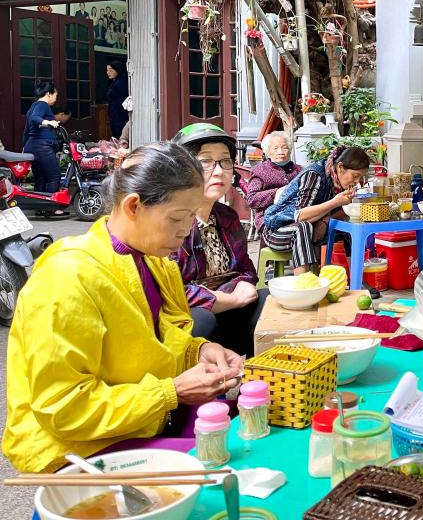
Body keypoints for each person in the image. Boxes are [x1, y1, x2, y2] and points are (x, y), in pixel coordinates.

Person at [2, 143, 244, 472]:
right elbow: (65, 408)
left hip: (143, 420)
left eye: (191, 216)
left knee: (244, 438)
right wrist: (170, 393)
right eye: (177, 217)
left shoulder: (157, 262)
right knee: (227, 466)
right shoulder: (67, 276)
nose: (187, 230)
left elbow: (162, 342)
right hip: (77, 448)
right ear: (133, 206)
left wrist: (200, 352)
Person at [172, 123, 266, 356]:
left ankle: (256, 383)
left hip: (227, 310)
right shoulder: (172, 222)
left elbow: (245, 268)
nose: (218, 171)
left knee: (269, 300)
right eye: (205, 162)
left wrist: (245, 284)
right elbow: (172, 291)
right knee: (201, 320)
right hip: (186, 319)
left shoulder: (226, 216)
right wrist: (228, 298)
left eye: (225, 161)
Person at [263, 146, 368, 274]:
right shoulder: (314, 175)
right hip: (277, 230)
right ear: (340, 167)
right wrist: (335, 202)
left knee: (348, 228)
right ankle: (305, 285)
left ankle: (357, 280)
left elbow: (343, 211)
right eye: (355, 176)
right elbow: (300, 216)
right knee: (302, 228)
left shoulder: (338, 180)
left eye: (361, 178)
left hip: (311, 229)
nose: (357, 182)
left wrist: (325, 220)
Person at [244, 132, 302, 233]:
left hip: (297, 214)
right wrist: (276, 193)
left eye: (284, 147)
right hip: (268, 219)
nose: (281, 152)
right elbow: (252, 199)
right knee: (299, 230)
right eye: (275, 148)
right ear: (268, 152)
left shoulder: (299, 170)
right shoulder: (260, 170)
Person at [22, 81, 63, 210]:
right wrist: (48, 122)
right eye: (55, 95)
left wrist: (25, 147)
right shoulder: (42, 105)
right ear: (48, 94)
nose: (56, 99)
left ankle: (40, 208)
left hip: (33, 146)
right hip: (42, 146)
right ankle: (50, 208)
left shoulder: (34, 105)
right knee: (54, 176)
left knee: (41, 178)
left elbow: (26, 130)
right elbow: (35, 118)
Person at [105, 60, 129, 139]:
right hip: (115, 113)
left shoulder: (122, 82)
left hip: (120, 114)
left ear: (117, 70)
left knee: (120, 133)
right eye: (107, 70)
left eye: (110, 70)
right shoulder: (114, 82)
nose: (108, 72)